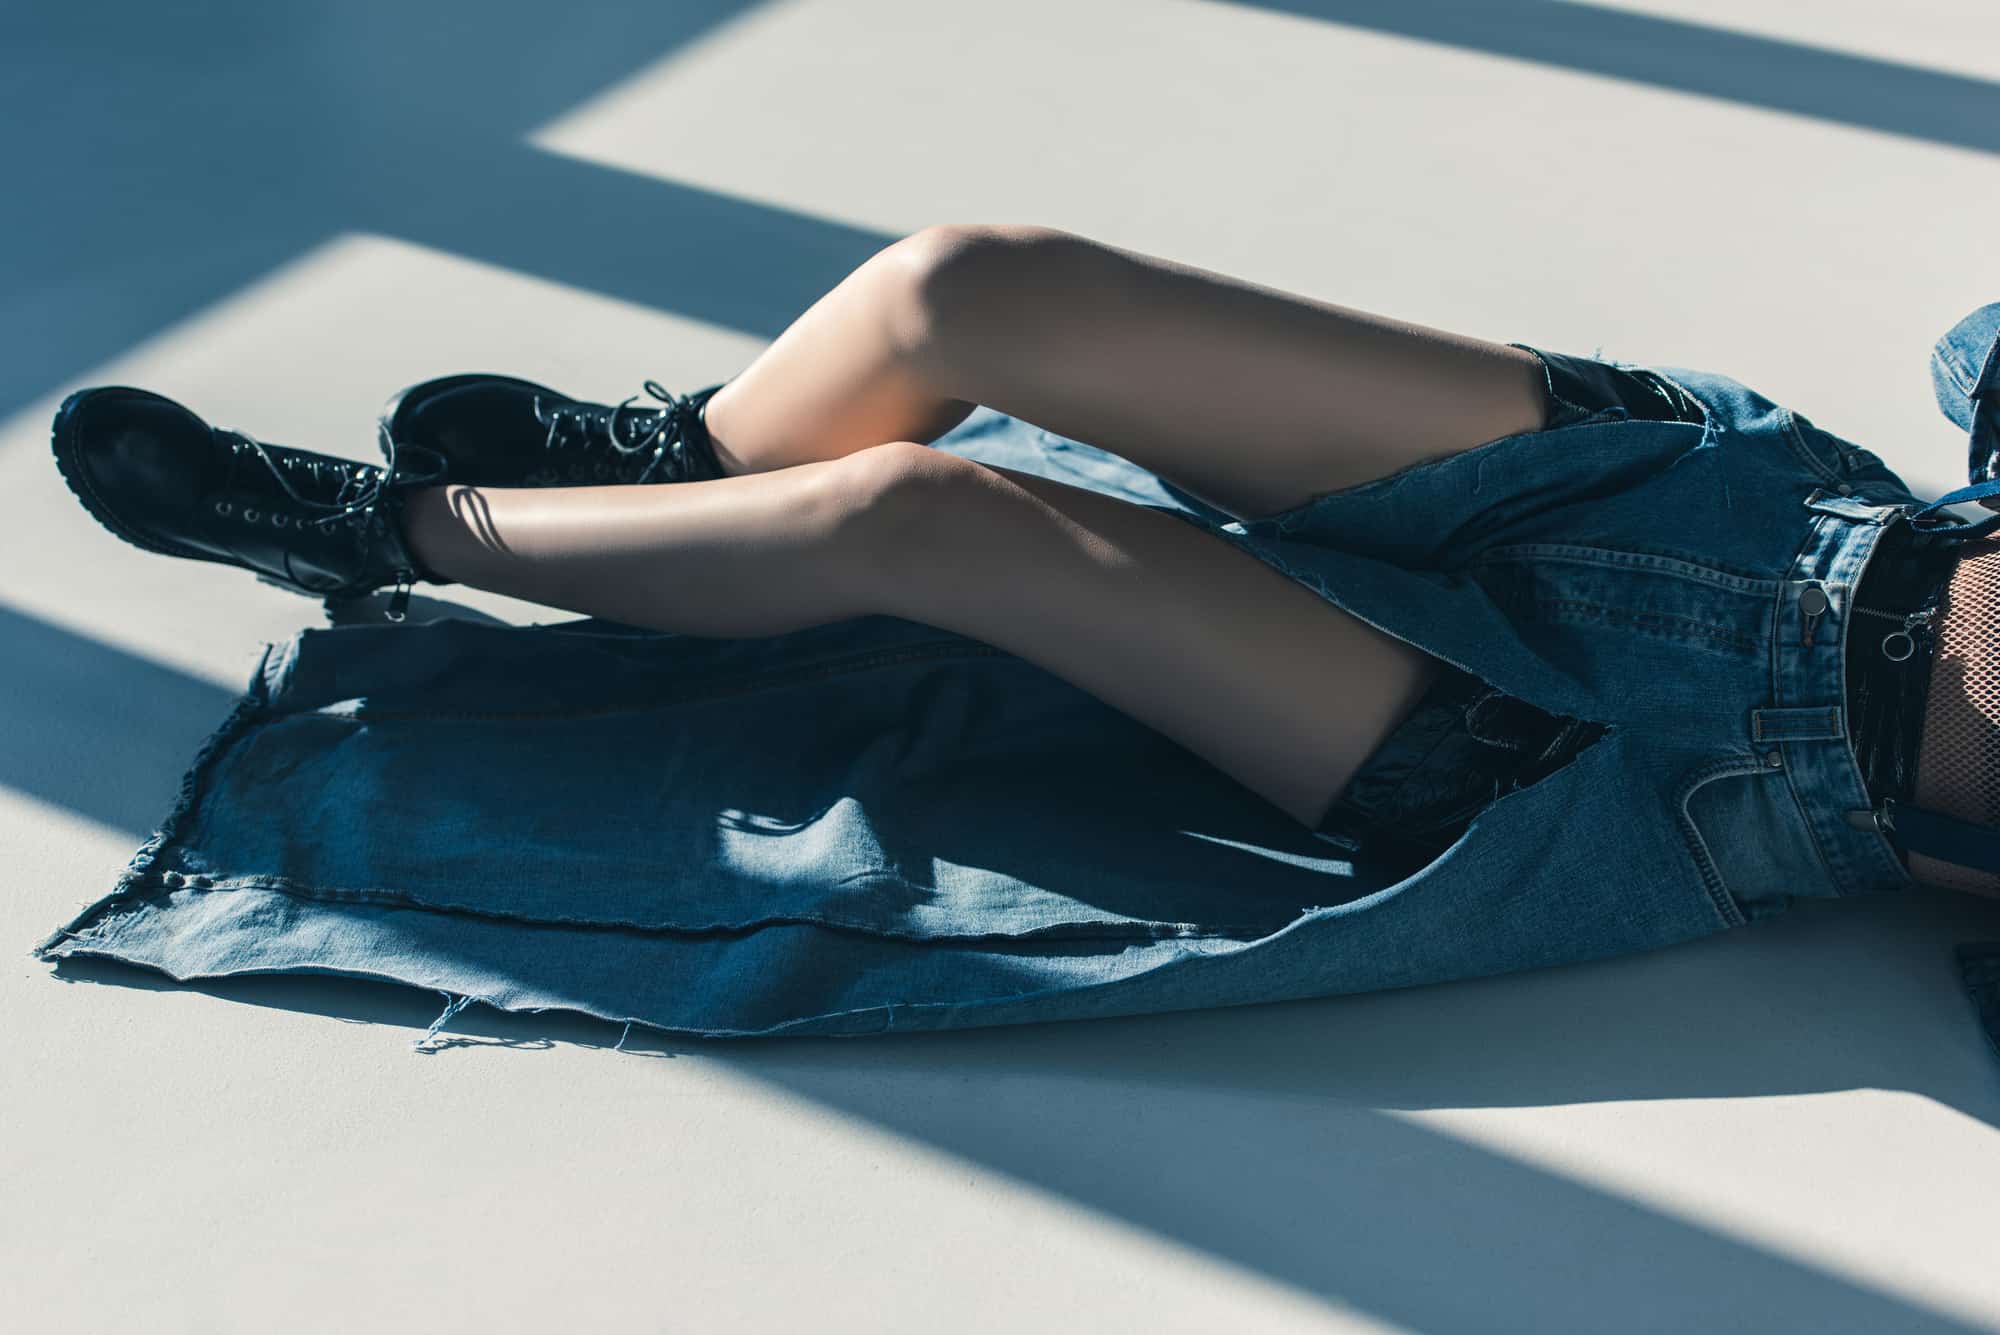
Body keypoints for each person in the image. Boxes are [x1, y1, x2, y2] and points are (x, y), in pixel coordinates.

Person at [37, 224, 2000, 1049]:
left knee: (927, 519)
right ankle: (689, 459)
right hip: (1742, 499)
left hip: (1647, 751)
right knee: (969, 292)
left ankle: (387, 530)